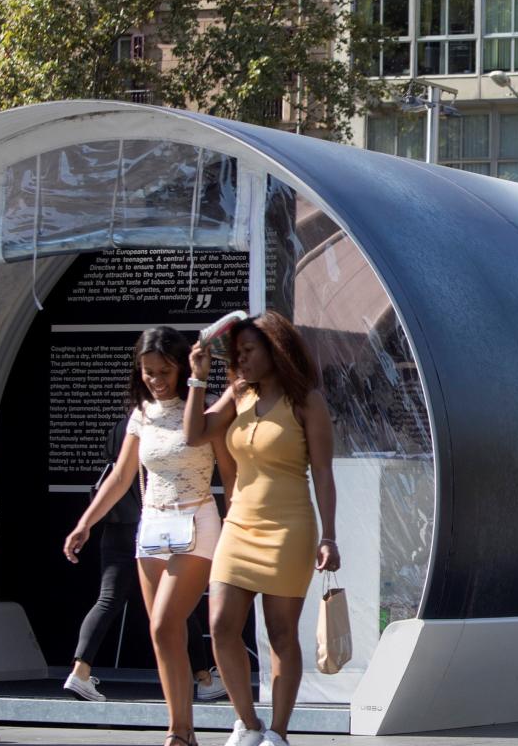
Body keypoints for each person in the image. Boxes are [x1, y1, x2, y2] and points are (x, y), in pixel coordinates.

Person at [64, 328, 237, 746]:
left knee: (164, 625)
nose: (156, 380)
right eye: (148, 372)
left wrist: (238, 528)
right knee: (167, 633)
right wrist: (85, 522)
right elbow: (122, 476)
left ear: (182, 366)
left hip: (197, 520)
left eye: (163, 371)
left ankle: (179, 731)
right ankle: (182, 732)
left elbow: (231, 476)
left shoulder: (207, 411)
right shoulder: (142, 413)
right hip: (151, 526)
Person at [184, 313, 339, 746]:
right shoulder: (238, 394)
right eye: (237, 354)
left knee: (280, 633)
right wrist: (198, 380)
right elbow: (195, 434)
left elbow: (323, 474)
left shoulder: (307, 401)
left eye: (249, 351)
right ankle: (248, 723)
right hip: (239, 524)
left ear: (275, 349)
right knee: (220, 624)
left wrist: (329, 535)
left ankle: (278, 732)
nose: (242, 359)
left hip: (289, 527)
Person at [62, 416, 228, 705]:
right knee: (176, 605)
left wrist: (86, 523)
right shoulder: (147, 422)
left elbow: (118, 475)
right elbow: (123, 475)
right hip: (155, 526)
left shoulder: (124, 425)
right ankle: (203, 679)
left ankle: (81, 670)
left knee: (116, 601)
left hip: (124, 524)